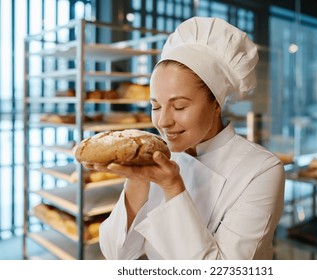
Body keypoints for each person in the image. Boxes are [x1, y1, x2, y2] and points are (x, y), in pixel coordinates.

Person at [88, 16, 285, 260]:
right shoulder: (157, 158)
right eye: (156, 106)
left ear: (216, 105)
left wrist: (173, 187)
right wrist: (136, 182)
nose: (162, 122)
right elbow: (118, 255)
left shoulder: (262, 170)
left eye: (179, 106)